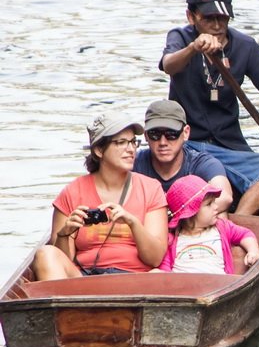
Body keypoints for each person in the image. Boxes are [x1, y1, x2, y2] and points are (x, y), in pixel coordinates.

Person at [159, 0, 259, 216]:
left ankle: (237, 225)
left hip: (230, 144)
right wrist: (193, 48)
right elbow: (168, 65)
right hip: (188, 144)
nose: (217, 26)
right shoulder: (180, 37)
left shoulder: (244, 46)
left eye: (223, 18)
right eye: (209, 19)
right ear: (191, 17)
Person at [32, 111, 169, 280]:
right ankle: (68, 306)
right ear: (98, 150)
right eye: (121, 143)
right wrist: (64, 233)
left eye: (133, 142)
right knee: (45, 254)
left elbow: (155, 259)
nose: (131, 149)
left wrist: (132, 222)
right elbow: (62, 262)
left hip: (134, 280)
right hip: (84, 278)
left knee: (158, 275)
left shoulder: (151, 189)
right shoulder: (72, 192)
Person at [133, 99, 233, 213]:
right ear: (146, 135)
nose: (162, 142)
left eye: (171, 134)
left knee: (221, 216)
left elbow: (224, 197)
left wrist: (177, 217)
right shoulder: (133, 163)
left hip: (186, 226)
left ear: (186, 133)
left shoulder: (202, 164)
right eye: (154, 134)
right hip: (146, 226)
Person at [157, 175, 259, 275]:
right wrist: (158, 273)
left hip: (218, 288)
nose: (216, 206)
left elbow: (245, 234)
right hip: (183, 289)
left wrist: (253, 251)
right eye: (209, 204)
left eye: (214, 202)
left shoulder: (222, 227)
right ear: (191, 213)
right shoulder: (172, 239)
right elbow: (165, 270)